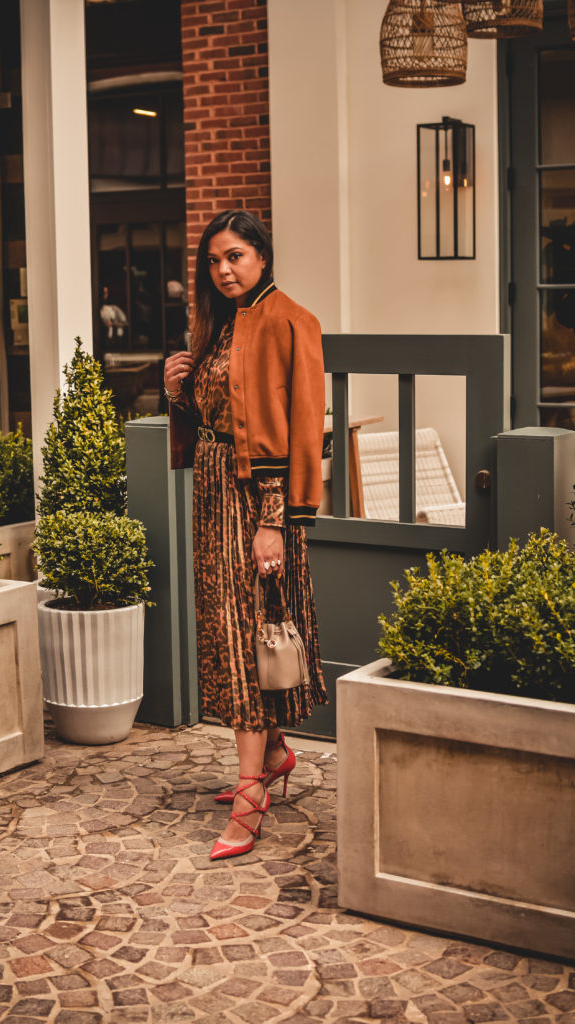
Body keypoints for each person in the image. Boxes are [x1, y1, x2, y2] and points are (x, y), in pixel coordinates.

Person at [164, 209, 327, 861]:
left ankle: (250, 793)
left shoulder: (292, 320)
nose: (223, 269)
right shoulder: (216, 325)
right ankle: (275, 753)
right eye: (213, 260)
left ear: (262, 256)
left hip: (255, 505)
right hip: (211, 496)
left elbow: (300, 428)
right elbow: (213, 415)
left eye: (235, 256)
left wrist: (272, 522)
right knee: (228, 633)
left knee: (249, 635)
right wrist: (176, 392)